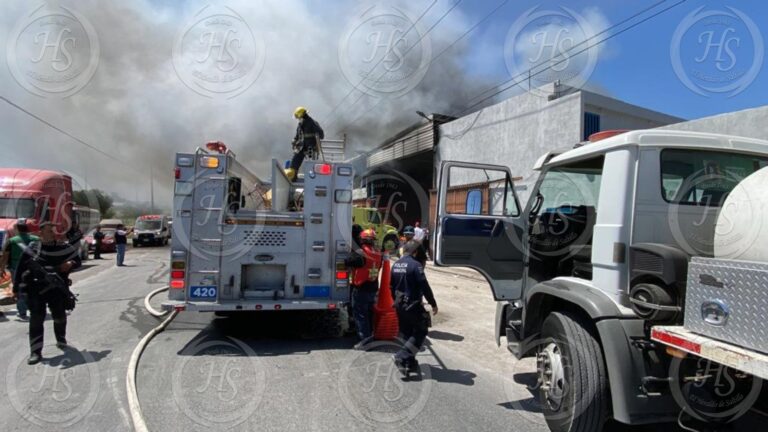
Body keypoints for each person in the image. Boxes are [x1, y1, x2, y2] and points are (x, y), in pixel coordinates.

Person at [15, 221, 81, 364]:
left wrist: (70, 264)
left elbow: (77, 260)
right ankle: (35, 352)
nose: (53, 233)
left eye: (54, 230)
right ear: (41, 233)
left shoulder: (62, 247)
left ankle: (61, 339)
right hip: (36, 289)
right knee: (37, 319)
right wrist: (16, 290)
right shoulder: (32, 249)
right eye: (49, 231)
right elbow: (20, 269)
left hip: (56, 288)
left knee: (59, 315)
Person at [390, 240, 438, 375]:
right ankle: (402, 355)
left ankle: (407, 363)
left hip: (399, 304)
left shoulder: (396, 264)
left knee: (406, 333)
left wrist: (395, 301)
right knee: (421, 331)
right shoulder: (415, 265)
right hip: (413, 304)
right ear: (415, 252)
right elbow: (424, 285)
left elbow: (390, 286)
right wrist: (433, 303)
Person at [345, 226, 382, 350]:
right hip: (372, 288)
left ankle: (365, 341)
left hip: (361, 289)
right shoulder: (378, 254)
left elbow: (347, 261)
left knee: (360, 315)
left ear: (362, 240)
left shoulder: (361, 254)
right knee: (369, 313)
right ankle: (370, 335)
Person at [0, 219, 40, 320]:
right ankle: (34, 308)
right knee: (34, 288)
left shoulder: (12, 240)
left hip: (16, 268)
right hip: (34, 267)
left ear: (17, 229)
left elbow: (5, 256)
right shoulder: (36, 239)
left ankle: (22, 312)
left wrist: (1, 268)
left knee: (20, 288)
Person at [286, 106, 324, 180]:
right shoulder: (300, 124)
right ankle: (293, 177)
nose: (297, 119)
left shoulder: (312, 123)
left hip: (311, 146)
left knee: (312, 164)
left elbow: (321, 135)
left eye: (298, 117)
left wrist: (315, 138)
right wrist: (294, 140)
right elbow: (297, 134)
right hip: (301, 146)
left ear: (301, 115)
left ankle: (313, 178)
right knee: (295, 160)